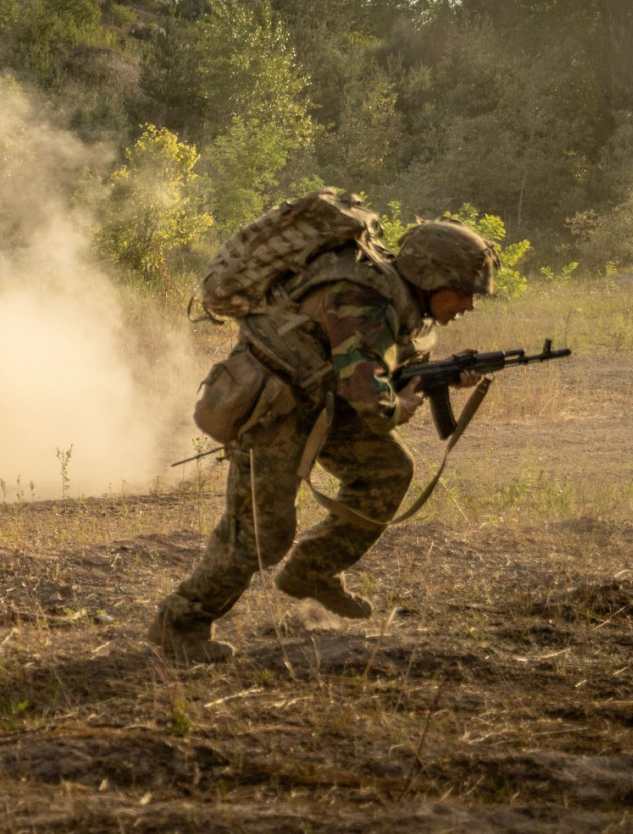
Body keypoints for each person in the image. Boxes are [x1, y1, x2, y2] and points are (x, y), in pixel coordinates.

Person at [150, 218, 499, 663]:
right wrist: (400, 406)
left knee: (387, 471)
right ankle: (180, 622)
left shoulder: (399, 300)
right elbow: (369, 395)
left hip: (322, 406)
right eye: (463, 291)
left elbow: (378, 365)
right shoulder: (362, 296)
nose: (469, 305)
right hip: (275, 409)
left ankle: (312, 571)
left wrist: (439, 378)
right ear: (430, 277)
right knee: (261, 534)